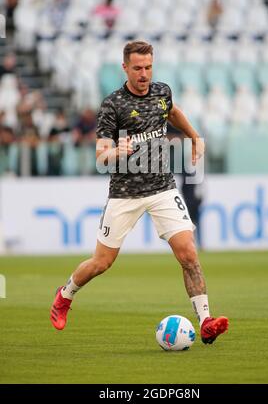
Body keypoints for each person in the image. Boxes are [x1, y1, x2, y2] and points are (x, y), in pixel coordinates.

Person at [50, 40, 229, 345]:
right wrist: (116, 151)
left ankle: (206, 321)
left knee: (188, 253)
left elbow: (171, 111)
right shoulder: (113, 104)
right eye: (137, 68)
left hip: (162, 187)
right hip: (125, 193)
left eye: (148, 67)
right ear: (125, 68)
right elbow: (100, 156)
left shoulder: (161, 91)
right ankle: (65, 295)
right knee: (101, 262)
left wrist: (194, 136)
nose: (144, 74)